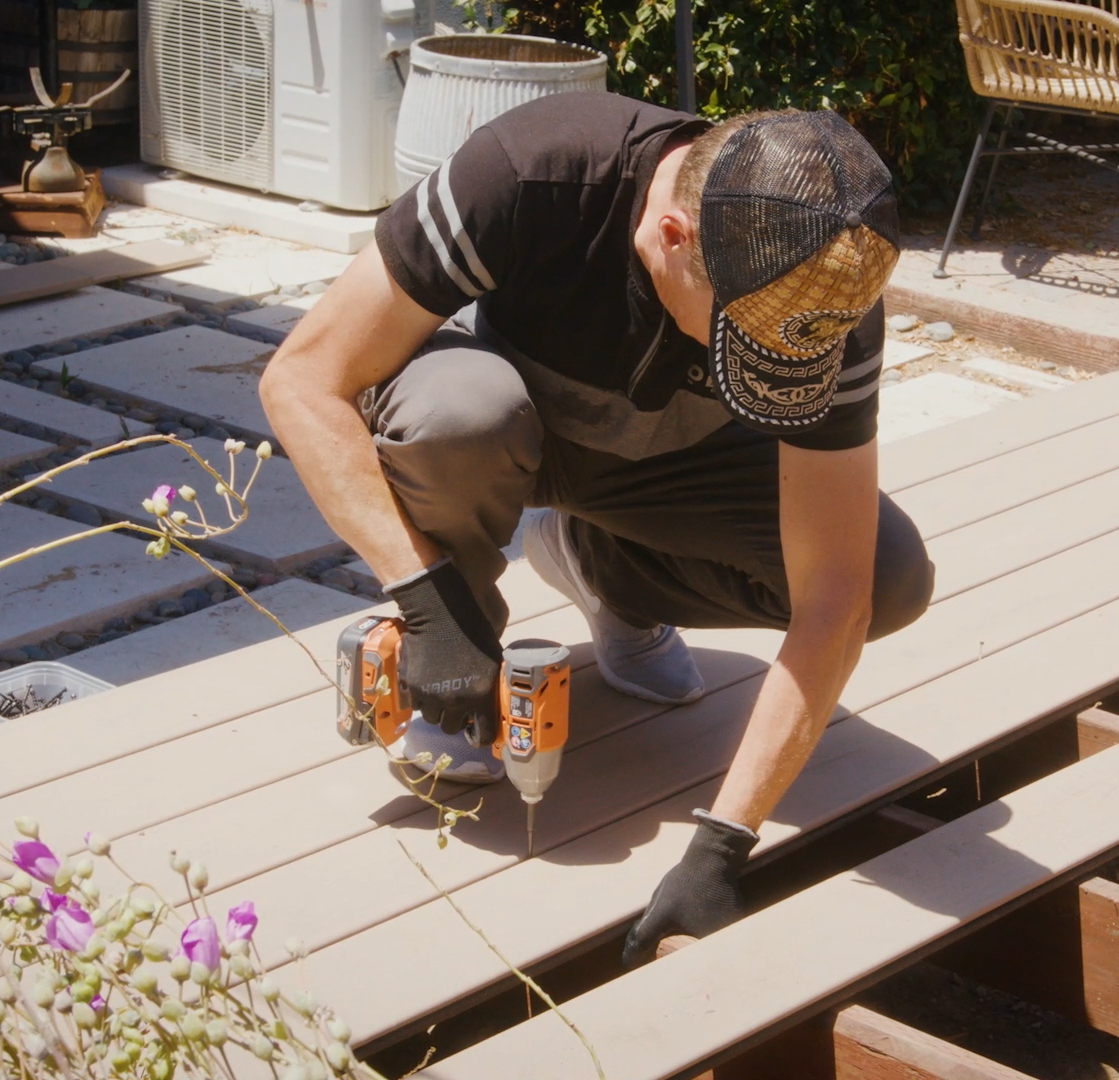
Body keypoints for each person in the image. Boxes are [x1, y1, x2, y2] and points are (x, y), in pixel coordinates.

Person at [258, 91, 934, 966]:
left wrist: (724, 844)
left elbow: (836, 596)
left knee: (887, 575)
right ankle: (459, 647)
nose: (766, 364)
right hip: (514, 426)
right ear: (671, 239)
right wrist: (423, 597)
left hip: (665, 471)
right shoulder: (531, 173)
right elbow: (302, 379)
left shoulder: (821, 285)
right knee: (457, 414)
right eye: (743, 344)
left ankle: (595, 562)